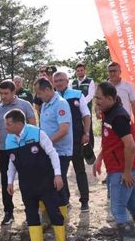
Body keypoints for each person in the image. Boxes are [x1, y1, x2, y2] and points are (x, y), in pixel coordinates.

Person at [93, 82, 135, 241]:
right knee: (132, 203)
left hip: (125, 169)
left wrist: (126, 172)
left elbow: (130, 145)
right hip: (126, 167)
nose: (96, 102)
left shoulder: (118, 116)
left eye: (99, 98)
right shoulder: (108, 112)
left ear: (110, 98)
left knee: (118, 208)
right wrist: (99, 158)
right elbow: (111, 141)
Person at [4, 109, 67, 241]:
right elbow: (11, 163)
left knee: (54, 212)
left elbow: (52, 153)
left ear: (19, 123)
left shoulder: (37, 133)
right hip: (26, 184)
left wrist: (58, 175)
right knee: (31, 214)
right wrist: (10, 182)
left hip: (45, 180)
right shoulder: (9, 139)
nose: (5, 127)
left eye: (8, 124)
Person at [0, 80, 37, 225]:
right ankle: (8, 212)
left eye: (6, 93)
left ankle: (31, 211)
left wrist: (33, 147)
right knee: (5, 182)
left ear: (13, 92)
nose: (3, 96)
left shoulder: (25, 105)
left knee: (28, 180)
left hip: (24, 149)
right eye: (1, 93)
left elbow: (33, 125)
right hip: (4, 150)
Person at [54, 71, 92, 212]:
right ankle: (65, 201)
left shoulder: (77, 94)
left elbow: (86, 115)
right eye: (56, 81)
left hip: (76, 139)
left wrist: (86, 133)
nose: (58, 83)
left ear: (67, 80)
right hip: (59, 141)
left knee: (79, 170)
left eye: (61, 80)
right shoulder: (52, 97)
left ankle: (84, 201)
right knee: (61, 173)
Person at [34, 77, 71, 220]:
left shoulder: (61, 104)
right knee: (47, 183)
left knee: (58, 183)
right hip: (49, 151)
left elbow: (63, 130)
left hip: (61, 151)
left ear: (48, 90)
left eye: (39, 93)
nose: (38, 96)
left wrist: (46, 143)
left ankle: (62, 218)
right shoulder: (45, 104)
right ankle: (51, 216)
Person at [71, 62, 96, 164]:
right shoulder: (72, 82)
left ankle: (90, 152)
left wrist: (81, 103)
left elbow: (91, 95)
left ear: (84, 70)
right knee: (77, 129)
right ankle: (80, 152)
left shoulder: (90, 81)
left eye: (81, 70)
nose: (80, 72)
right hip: (75, 110)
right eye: (78, 70)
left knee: (88, 129)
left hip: (86, 109)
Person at [107, 62, 135, 131]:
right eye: (110, 71)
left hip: (125, 120)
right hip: (109, 122)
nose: (112, 73)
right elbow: (99, 102)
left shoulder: (128, 86)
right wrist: (97, 110)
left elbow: (134, 104)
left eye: (114, 71)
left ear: (120, 72)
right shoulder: (104, 86)